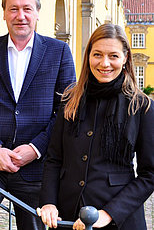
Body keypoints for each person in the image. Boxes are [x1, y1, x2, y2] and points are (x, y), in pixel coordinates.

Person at [0, 0, 76, 230]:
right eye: (13, 9)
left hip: (37, 165)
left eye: (27, 8)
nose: (20, 16)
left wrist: (35, 148)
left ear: (37, 13)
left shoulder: (60, 52)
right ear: (3, 13)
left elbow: (66, 109)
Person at [37, 23, 154, 230]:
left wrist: (108, 213)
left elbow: (150, 174)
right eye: (97, 54)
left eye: (114, 56)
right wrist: (48, 202)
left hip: (119, 219)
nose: (105, 63)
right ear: (88, 56)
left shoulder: (141, 106)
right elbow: (54, 158)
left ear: (125, 58)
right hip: (69, 216)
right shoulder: (70, 100)